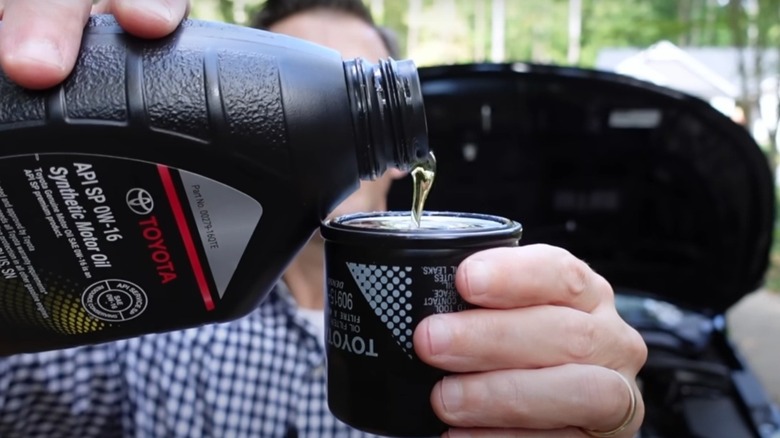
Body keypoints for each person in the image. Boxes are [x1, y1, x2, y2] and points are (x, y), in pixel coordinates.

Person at [0, 0, 648, 437]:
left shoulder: (483, 336)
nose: (315, 136)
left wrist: (601, 412)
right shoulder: (156, 319)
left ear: (394, 165)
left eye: (343, 96)